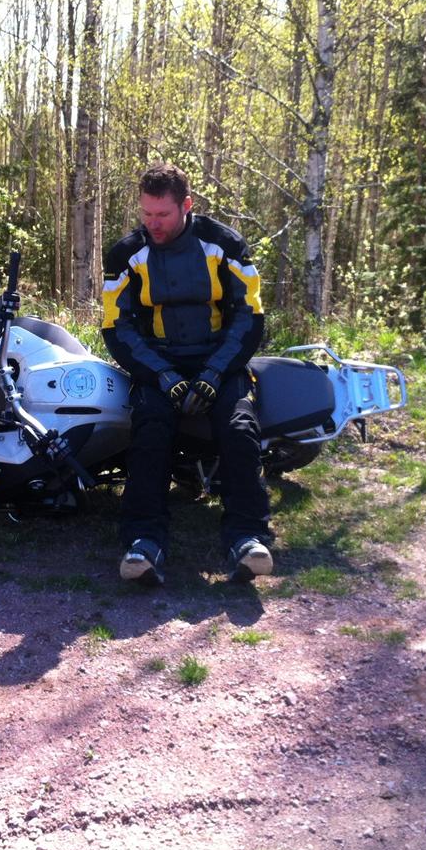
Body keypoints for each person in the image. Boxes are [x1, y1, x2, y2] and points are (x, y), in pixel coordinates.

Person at [101, 162, 273, 586]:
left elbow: (250, 317)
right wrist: (163, 377)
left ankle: (247, 538)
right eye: (146, 214)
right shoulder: (125, 254)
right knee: (149, 428)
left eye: (163, 214)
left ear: (187, 206)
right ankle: (143, 542)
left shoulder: (224, 244)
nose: (153, 224)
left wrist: (214, 373)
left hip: (221, 361)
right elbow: (116, 327)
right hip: (160, 365)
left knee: (239, 427)